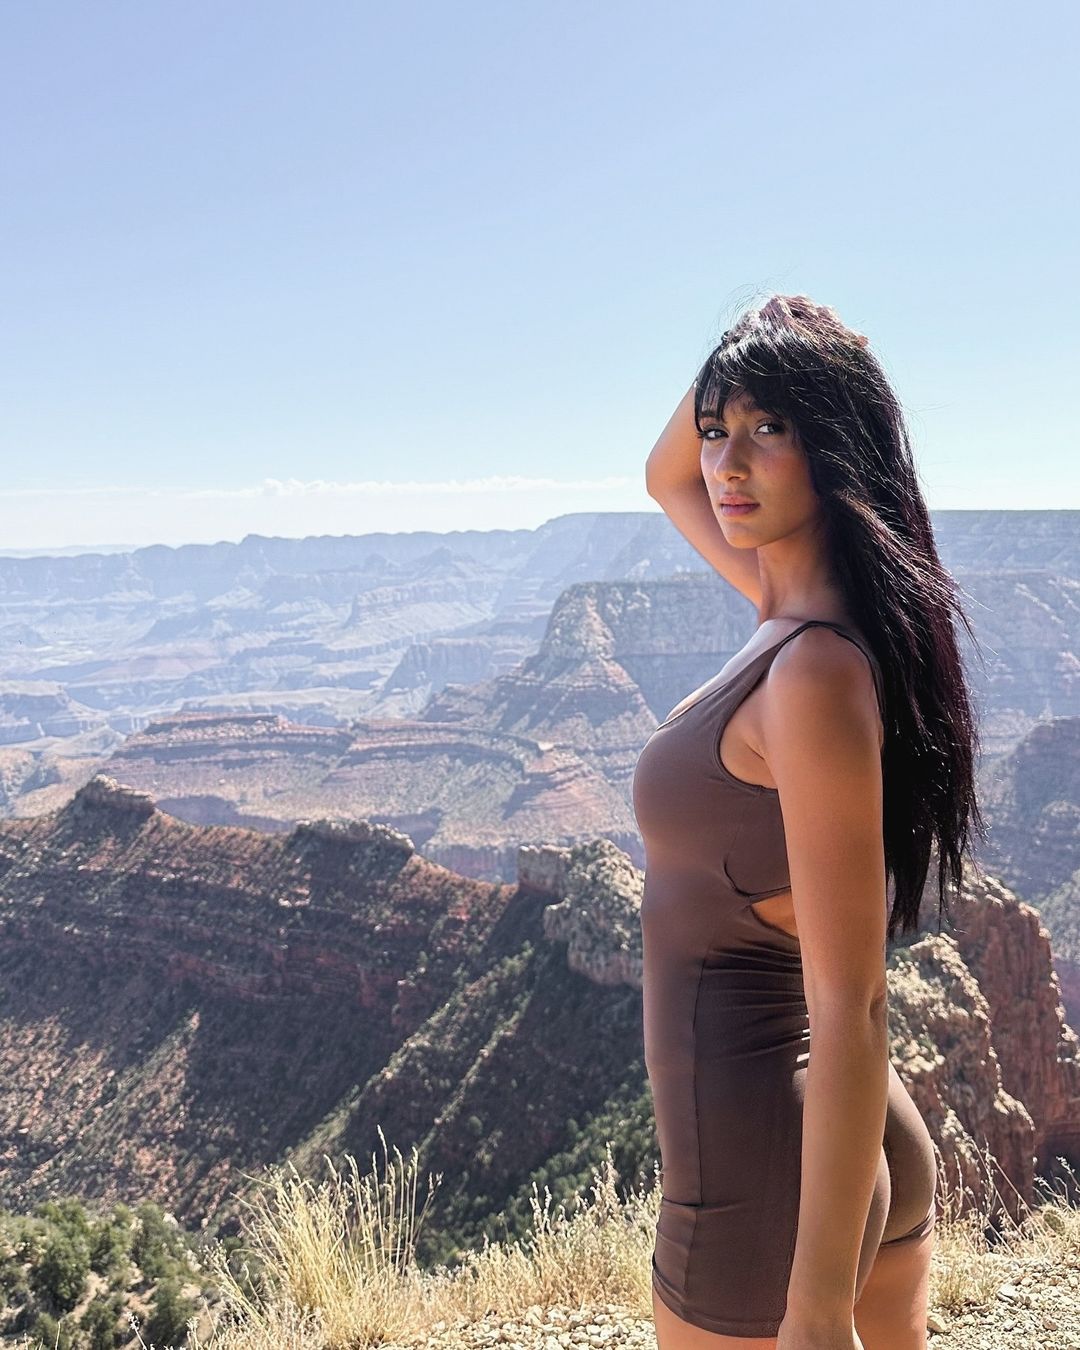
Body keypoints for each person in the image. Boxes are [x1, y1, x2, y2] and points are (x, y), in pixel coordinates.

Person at [631, 294, 985, 1349]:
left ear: (835, 448)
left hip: (760, 1182)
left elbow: (856, 999)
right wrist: (755, 333)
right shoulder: (791, 612)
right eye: (717, 429)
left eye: (769, 428)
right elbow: (662, 474)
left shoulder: (812, 673)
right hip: (844, 1141)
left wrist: (819, 1304)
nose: (725, 465)